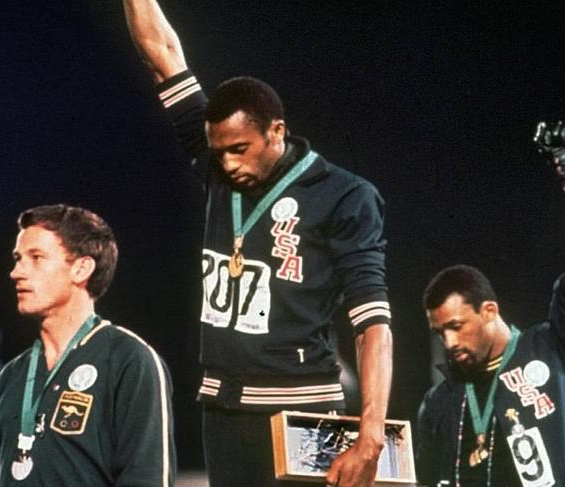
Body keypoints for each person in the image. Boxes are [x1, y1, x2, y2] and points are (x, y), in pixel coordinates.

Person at [123, 2, 393, 486]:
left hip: (302, 406)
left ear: (277, 132)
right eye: (218, 150)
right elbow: (162, 53)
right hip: (221, 407)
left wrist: (370, 432)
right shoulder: (216, 169)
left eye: (239, 149)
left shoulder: (345, 195)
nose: (226, 164)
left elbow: (372, 322)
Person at [416, 121, 565, 486]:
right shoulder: (439, 402)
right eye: (440, 332)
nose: (450, 343)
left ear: (489, 310)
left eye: (457, 326)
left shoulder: (553, 349)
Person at [0, 204, 177, 486]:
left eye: (36, 257)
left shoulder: (130, 360)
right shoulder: (12, 375)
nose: (16, 272)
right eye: (17, 258)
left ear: (82, 268)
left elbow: (147, 478)